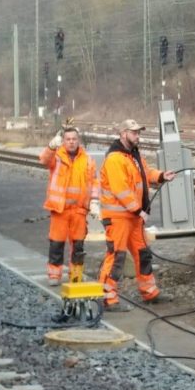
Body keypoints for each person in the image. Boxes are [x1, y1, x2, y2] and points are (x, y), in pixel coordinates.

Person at [98, 118, 176, 312]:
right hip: (118, 218)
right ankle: (108, 298)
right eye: (134, 132)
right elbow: (120, 189)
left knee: (143, 254)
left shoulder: (133, 155)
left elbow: (145, 173)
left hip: (133, 218)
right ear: (123, 133)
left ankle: (150, 292)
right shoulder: (115, 158)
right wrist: (137, 209)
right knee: (116, 256)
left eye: (138, 132)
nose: (138, 136)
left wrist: (160, 176)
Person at [40, 126, 98, 286]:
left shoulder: (87, 160)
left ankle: (76, 275)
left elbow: (94, 182)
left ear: (78, 140)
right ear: (63, 141)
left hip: (79, 211)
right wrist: (51, 146)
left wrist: (94, 201)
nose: (71, 142)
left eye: (74, 139)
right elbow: (44, 160)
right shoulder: (57, 157)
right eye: (68, 139)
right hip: (60, 210)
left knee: (78, 246)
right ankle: (54, 275)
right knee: (56, 244)